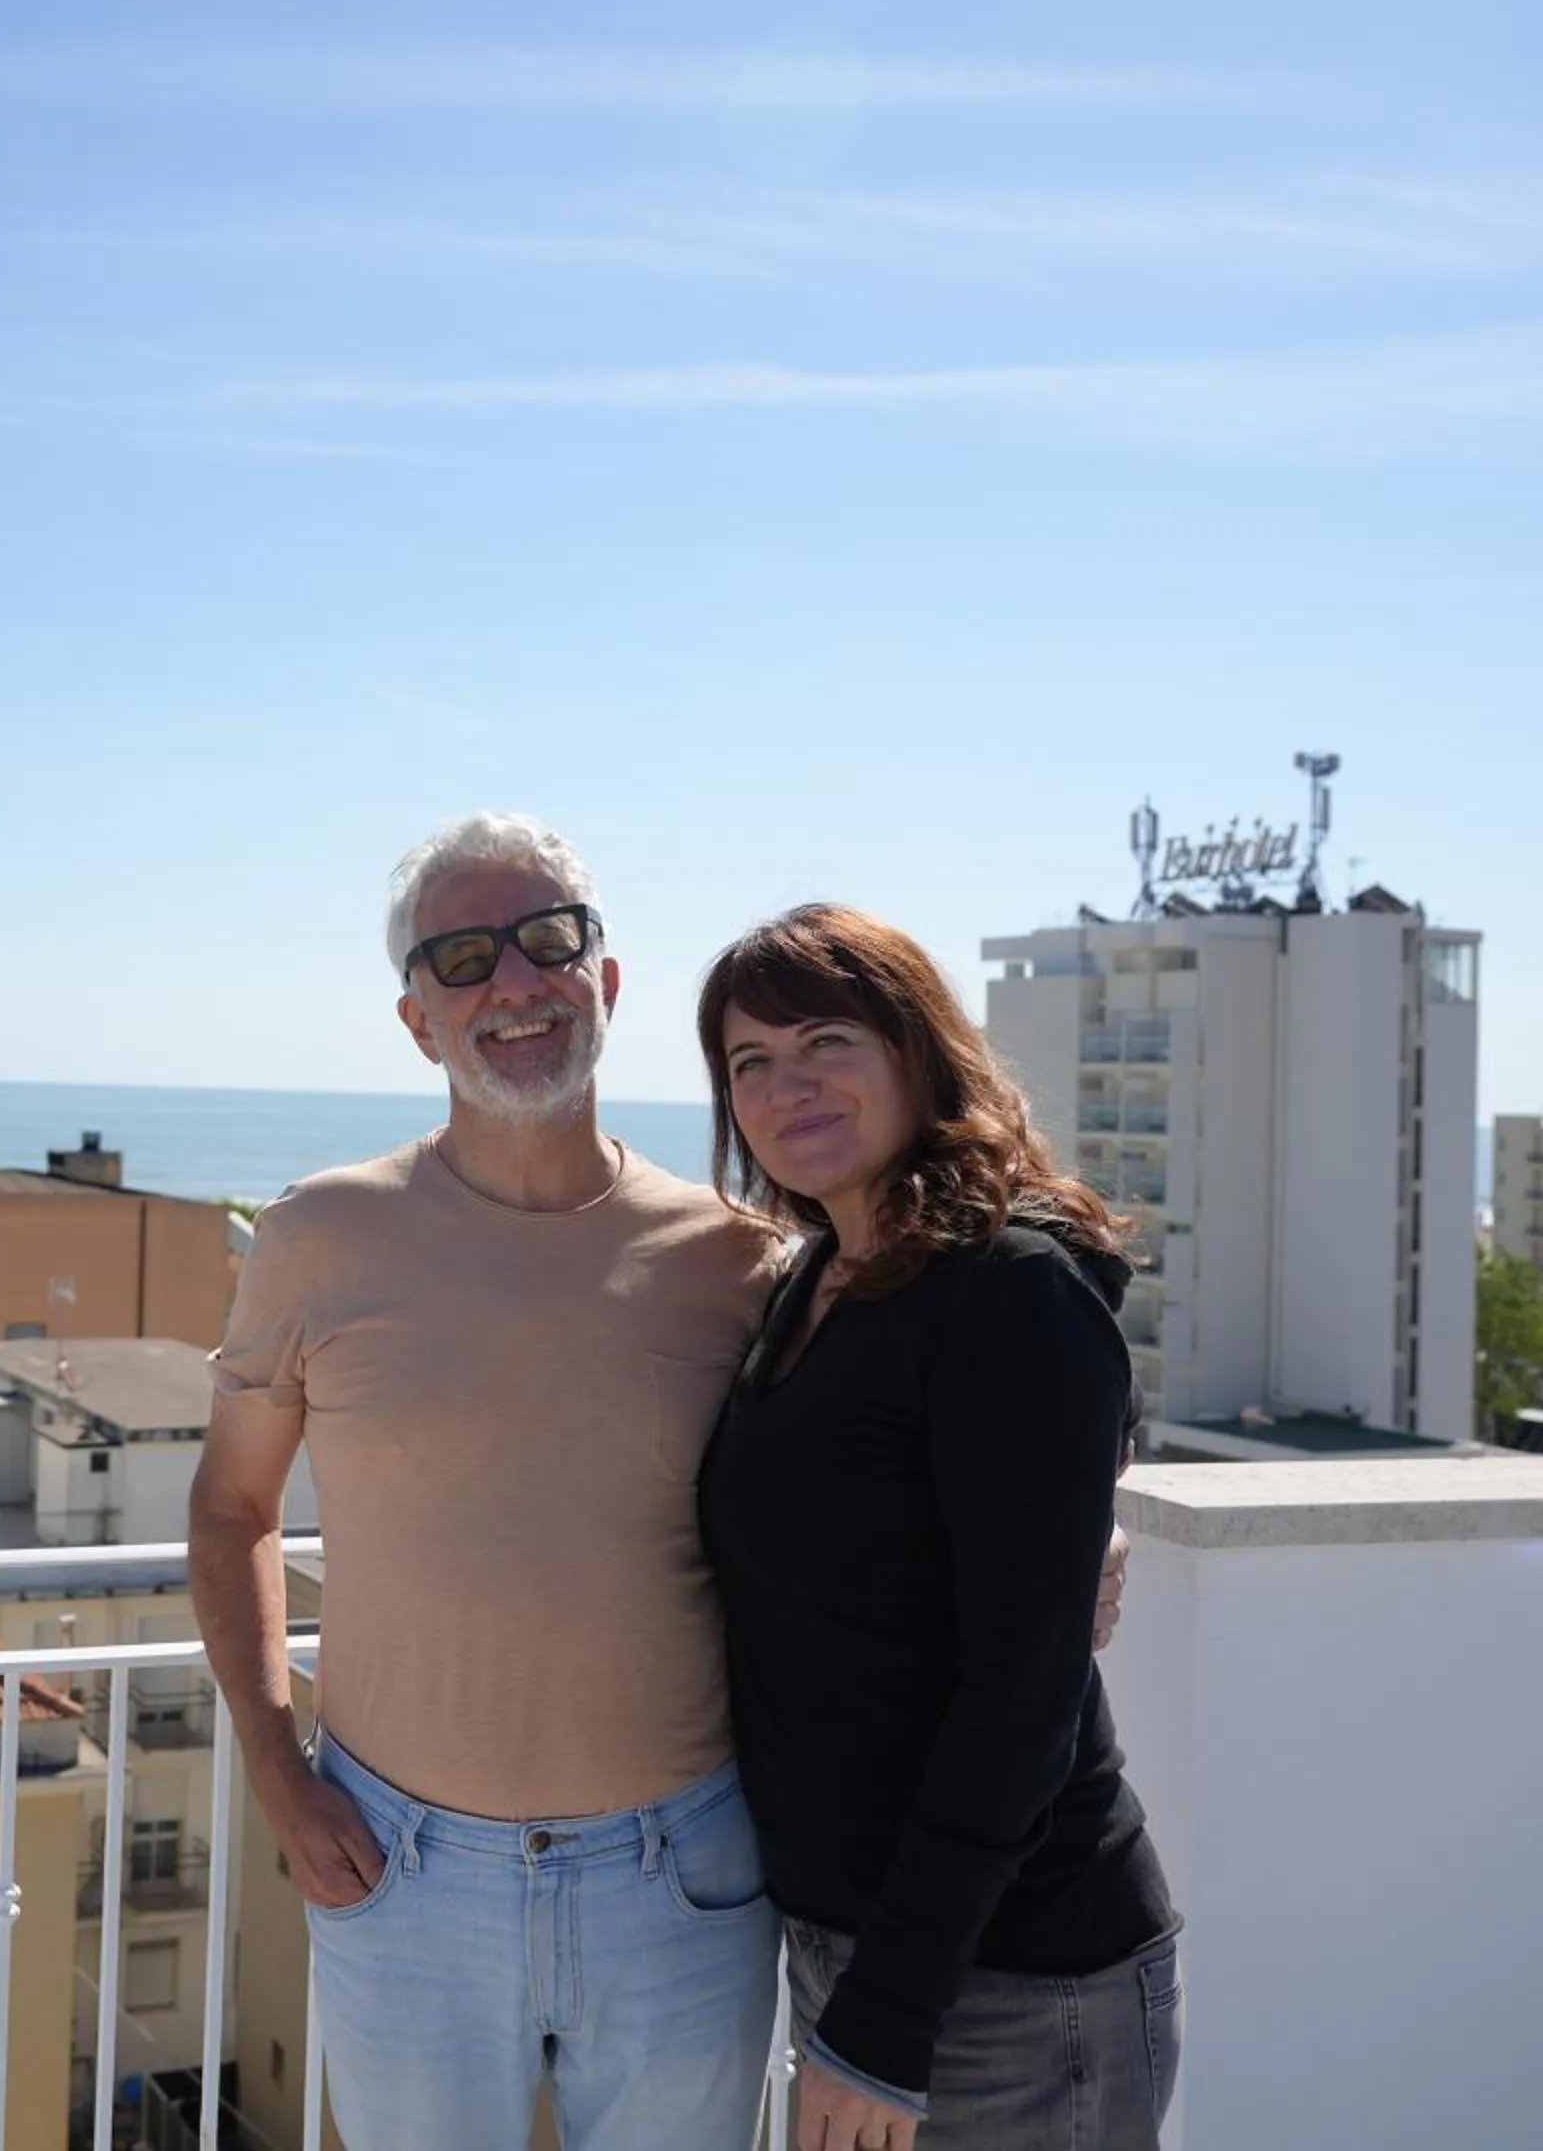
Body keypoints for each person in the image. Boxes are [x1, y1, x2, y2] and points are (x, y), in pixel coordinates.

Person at [187, 817, 1126, 2151]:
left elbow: (947, 1390)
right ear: (415, 1020)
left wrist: (1092, 1510)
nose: (512, 983)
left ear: (606, 983)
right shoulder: (314, 1236)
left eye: (547, 939)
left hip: (688, 1878)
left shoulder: (744, 1258)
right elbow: (232, 1512)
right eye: (462, 957)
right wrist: (280, 1773)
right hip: (401, 1872)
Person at [694, 904, 1181, 2151]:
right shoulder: (814, 1278)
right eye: (749, 1061)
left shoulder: (1009, 1289)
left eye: (823, 1039)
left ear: (916, 1048)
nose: (785, 1083)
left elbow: (1023, 1690)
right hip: (856, 1945)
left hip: (1011, 1980)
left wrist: (887, 2017)